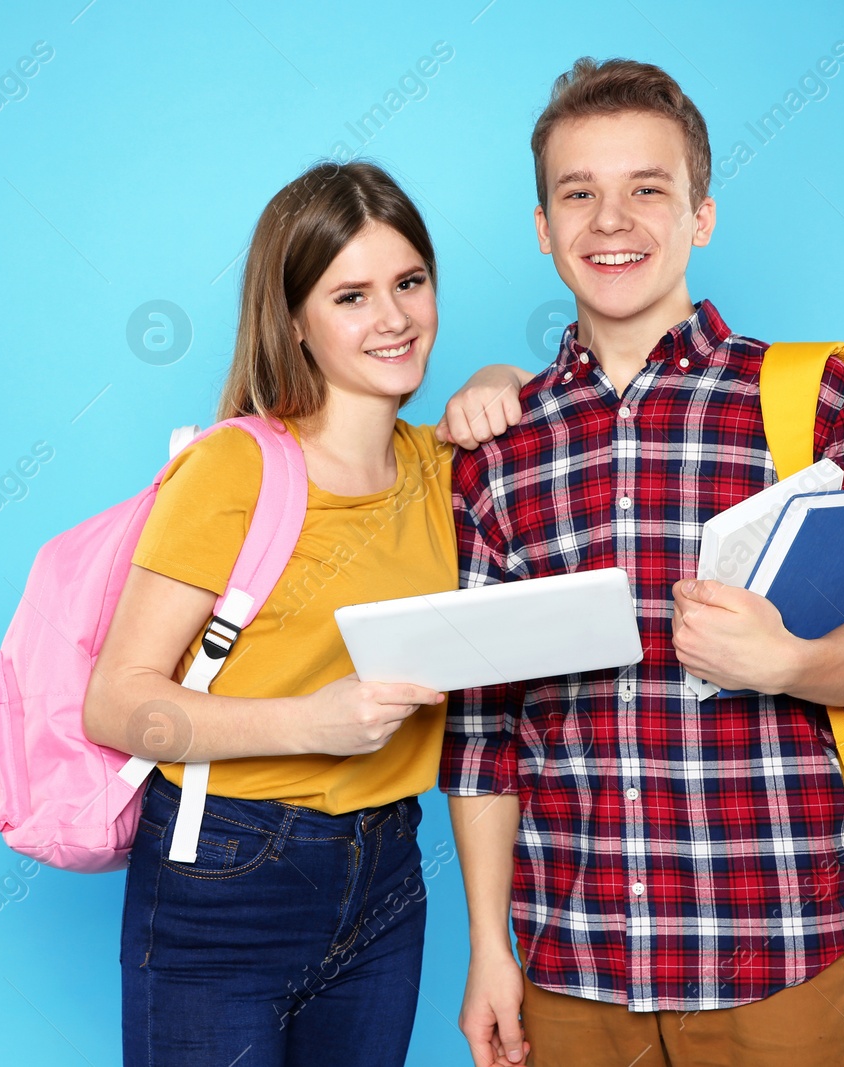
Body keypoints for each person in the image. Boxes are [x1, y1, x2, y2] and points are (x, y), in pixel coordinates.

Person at [440, 58, 844, 1067]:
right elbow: (483, 727)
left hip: (776, 959)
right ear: (543, 228)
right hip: (567, 966)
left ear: (700, 214)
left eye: (646, 189)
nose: (609, 219)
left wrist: (791, 662)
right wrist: (488, 947)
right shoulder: (499, 445)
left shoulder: (809, 397)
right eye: (578, 193)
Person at [81, 159, 511, 1067]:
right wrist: (312, 721)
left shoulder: (445, 468)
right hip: (226, 877)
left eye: (410, 282)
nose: (393, 317)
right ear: (294, 323)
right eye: (350, 295)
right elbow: (118, 705)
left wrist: (503, 378)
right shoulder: (234, 469)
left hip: (390, 871)